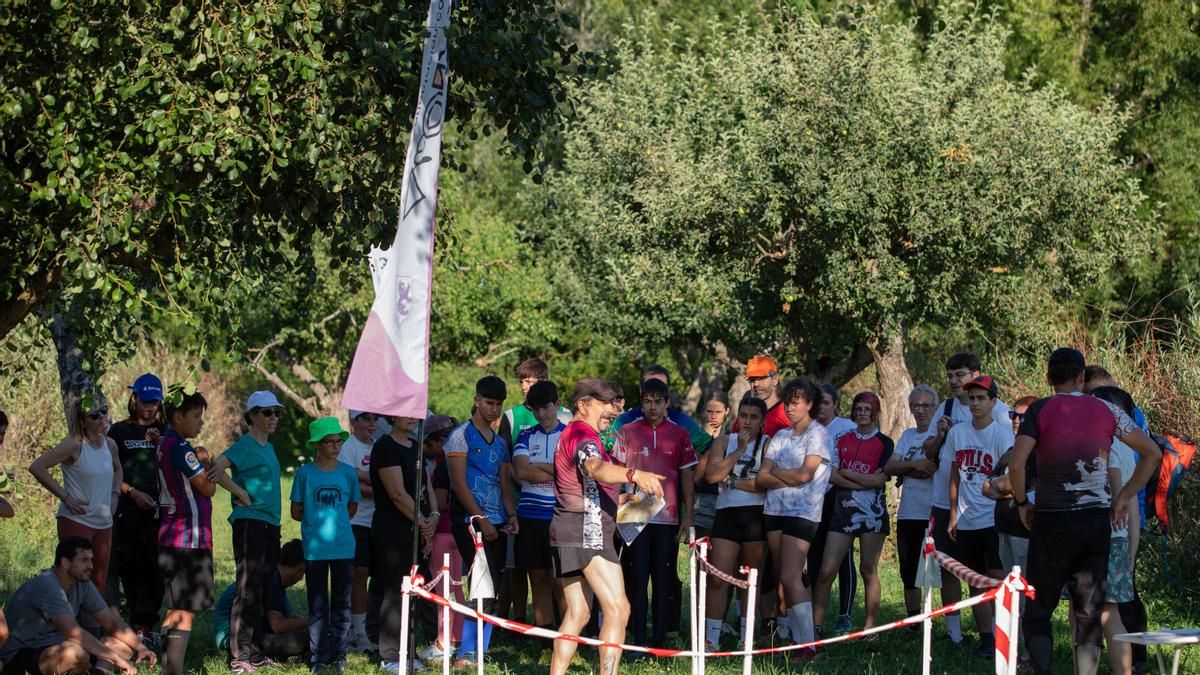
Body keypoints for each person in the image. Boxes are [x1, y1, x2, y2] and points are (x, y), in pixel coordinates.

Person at [1007, 348, 1162, 675]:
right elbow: (1151, 453)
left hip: (1051, 519)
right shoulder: (1107, 409)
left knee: (1038, 610)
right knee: (1089, 612)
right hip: (1095, 521)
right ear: (1081, 377)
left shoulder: (1039, 409)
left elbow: (1017, 464)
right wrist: (1124, 497)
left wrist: (1023, 504)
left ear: (1049, 378)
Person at [549, 378, 664, 675]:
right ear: (583, 405)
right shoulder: (582, 434)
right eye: (605, 403)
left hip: (568, 530)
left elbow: (587, 481)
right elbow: (594, 468)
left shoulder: (576, 433)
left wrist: (624, 497)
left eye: (615, 403)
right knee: (618, 609)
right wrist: (634, 473)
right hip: (586, 532)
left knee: (578, 612)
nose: (613, 410)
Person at [157, 390, 250, 675]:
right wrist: (206, 460)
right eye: (196, 416)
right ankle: (174, 670)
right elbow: (207, 487)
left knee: (176, 608)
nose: (201, 423)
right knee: (184, 609)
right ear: (177, 416)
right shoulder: (181, 448)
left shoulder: (162, 443)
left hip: (169, 536)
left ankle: (169, 667)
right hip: (188, 538)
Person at [611, 377, 698, 648]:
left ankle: (658, 642)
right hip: (635, 512)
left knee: (663, 578)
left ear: (667, 403)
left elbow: (687, 477)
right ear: (641, 402)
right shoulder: (627, 430)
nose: (652, 406)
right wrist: (616, 509)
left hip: (668, 515)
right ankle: (637, 641)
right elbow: (614, 473)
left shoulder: (679, 433)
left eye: (658, 401)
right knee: (636, 579)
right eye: (647, 401)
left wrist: (688, 515)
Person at [207, 391, 285, 673]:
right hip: (249, 522)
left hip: (270, 524)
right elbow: (216, 468)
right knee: (248, 587)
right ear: (252, 415)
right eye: (267, 412)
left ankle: (253, 652)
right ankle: (239, 656)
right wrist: (240, 492)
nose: (273, 417)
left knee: (263, 587)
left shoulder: (269, 447)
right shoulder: (245, 444)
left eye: (277, 412)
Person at [753, 377, 830, 661]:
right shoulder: (780, 436)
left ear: (809, 404)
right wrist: (789, 476)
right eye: (788, 402)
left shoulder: (818, 434)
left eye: (796, 402)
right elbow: (762, 477)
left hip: (803, 512)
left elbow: (805, 475)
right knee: (784, 578)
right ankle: (798, 641)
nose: (790, 407)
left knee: (791, 576)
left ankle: (809, 645)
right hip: (774, 511)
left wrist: (780, 475)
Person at [0, 537, 156, 675]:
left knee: (122, 647)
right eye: (84, 560)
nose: (91, 566)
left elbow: (112, 622)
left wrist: (141, 648)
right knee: (75, 654)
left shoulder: (82, 583)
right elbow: (73, 632)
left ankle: (98, 672)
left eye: (91, 560)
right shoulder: (47, 585)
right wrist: (115, 659)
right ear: (66, 562)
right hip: (24, 652)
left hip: (59, 645)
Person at [445, 376, 517, 667]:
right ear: (476, 400)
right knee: (479, 585)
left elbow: (504, 484)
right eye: (489, 402)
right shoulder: (459, 437)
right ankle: (465, 652)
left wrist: (511, 516)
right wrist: (482, 519)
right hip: (470, 521)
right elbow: (459, 485)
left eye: (498, 404)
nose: (494, 409)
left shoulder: (500, 443)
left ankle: (480, 649)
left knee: (493, 588)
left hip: (499, 521)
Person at [813, 392, 893, 638]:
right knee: (826, 571)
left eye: (867, 409)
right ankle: (814, 627)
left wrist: (851, 478)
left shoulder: (885, 442)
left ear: (875, 412)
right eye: (858, 408)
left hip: (873, 514)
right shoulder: (840, 438)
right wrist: (863, 482)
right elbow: (832, 474)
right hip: (842, 513)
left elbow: (880, 479)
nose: (862, 413)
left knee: (868, 568)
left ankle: (870, 627)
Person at [945, 376, 1012, 658]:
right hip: (967, 518)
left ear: (993, 402)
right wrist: (952, 514)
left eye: (981, 398)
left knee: (996, 581)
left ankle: (1004, 639)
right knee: (973, 581)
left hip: (993, 519)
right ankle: (986, 639)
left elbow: (1008, 480)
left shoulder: (1002, 434)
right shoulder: (958, 433)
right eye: (971, 398)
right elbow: (954, 475)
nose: (975, 403)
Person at [30, 391, 120, 592]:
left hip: (104, 523)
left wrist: (116, 494)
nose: (101, 418)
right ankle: (63, 621)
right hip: (77, 521)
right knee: (72, 582)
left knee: (98, 584)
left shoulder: (110, 444)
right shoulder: (74, 444)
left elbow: (118, 469)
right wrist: (66, 497)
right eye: (94, 415)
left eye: (103, 411)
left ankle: (91, 624)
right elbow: (37, 467)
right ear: (82, 421)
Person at [290, 417, 361, 672]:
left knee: (342, 603)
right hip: (315, 549)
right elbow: (295, 510)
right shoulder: (305, 474)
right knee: (317, 603)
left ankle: (339, 653)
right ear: (316, 445)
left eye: (338, 441)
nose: (335, 446)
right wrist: (314, 521)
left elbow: (352, 507)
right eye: (329, 442)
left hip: (344, 547)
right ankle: (319, 655)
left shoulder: (348, 473)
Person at [366, 414, 435, 672]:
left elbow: (425, 485)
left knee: (414, 591)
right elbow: (396, 494)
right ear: (392, 416)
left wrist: (431, 519)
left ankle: (409, 650)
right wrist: (422, 521)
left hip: (417, 527)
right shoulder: (384, 446)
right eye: (405, 413)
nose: (411, 418)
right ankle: (391, 655)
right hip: (392, 529)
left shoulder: (416, 446)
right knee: (395, 591)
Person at [702, 395, 770, 649]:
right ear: (737, 416)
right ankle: (712, 638)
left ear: (762, 420)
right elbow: (711, 475)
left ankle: (746, 637)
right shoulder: (724, 441)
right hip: (726, 514)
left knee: (751, 580)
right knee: (719, 578)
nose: (747, 422)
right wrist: (739, 450)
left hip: (755, 515)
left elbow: (764, 483)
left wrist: (730, 480)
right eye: (744, 416)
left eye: (753, 417)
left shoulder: (768, 444)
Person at [511, 381, 568, 663]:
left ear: (557, 405)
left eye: (546, 407)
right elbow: (521, 471)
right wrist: (555, 472)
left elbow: (571, 475)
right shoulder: (525, 436)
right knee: (539, 582)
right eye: (536, 410)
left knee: (562, 583)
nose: (542, 414)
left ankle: (567, 645)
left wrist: (544, 470)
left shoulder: (569, 436)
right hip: (530, 518)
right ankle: (546, 646)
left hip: (561, 518)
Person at [107, 373, 166, 640]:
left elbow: (178, 465)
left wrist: (160, 443)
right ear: (134, 399)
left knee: (156, 567)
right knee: (129, 564)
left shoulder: (165, 432)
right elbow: (108, 471)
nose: (150, 406)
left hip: (161, 509)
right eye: (145, 401)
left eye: (155, 402)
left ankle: (146, 625)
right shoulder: (119, 431)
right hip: (128, 508)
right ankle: (128, 620)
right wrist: (132, 493)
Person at [1089, 386, 1142, 675]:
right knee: (1110, 613)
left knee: (1091, 614)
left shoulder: (1107, 443)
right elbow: (1132, 508)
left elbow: (1124, 500)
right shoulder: (1128, 449)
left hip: (1098, 538)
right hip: (1117, 540)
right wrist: (1131, 554)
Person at [982, 395, 1037, 668]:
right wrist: (1005, 487)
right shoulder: (1010, 451)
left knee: (1023, 597)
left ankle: (1027, 655)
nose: (1016, 421)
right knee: (1009, 595)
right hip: (1002, 528)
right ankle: (1013, 652)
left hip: (1023, 534)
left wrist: (1002, 486)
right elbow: (988, 486)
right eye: (1013, 416)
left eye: (1023, 417)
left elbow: (1003, 485)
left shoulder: (1035, 452)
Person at [884, 384, 939, 618]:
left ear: (936, 408)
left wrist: (905, 469)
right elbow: (889, 466)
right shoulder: (907, 435)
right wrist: (914, 465)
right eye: (916, 405)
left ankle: (937, 619)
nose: (921, 410)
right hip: (908, 512)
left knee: (932, 570)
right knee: (908, 570)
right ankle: (914, 619)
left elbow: (931, 470)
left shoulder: (939, 437)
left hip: (932, 510)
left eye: (926, 405)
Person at [808, 383, 857, 634]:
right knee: (814, 556)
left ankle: (844, 614)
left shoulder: (847, 428)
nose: (821, 408)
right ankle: (815, 618)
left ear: (835, 404)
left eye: (826, 403)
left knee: (843, 558)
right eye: (817, 403)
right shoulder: (808, 428)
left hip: (840, 497)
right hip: (812, 498)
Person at [214, 540, 308, 662]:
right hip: (233, 640)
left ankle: (298, 656)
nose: (301, 579)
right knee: (310, 636)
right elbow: (278, 626)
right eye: (304, 574)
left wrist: (313, 622)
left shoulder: (275, 577)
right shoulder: (272, 579)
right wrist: (314, 622)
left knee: (312, 632)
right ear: (301, 568)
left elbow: (290, 616)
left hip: (248, 636)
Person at [419, 415, 463, 662]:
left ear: (440, 440)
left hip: (443, 531)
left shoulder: (443, 465)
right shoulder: (463, 459)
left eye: (429, 444)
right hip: (461, 531)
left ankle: (442, 644)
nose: (427, 449)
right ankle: (457, 641)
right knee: (457, 588)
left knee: (442, 592)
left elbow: (440, 502)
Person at [336, 410, 378, 653]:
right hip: (355, 520)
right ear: (354, 422)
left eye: (375, 419)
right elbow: (351, 484)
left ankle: (368, 626)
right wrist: (377, 483)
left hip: (378, 521)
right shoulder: (347, 448)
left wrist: (367, 479)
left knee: (376, 576)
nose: (372, 424)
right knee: (359, 573)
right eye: (366, 419)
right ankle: (357, 633)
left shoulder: (379, 447)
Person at [692, 391, 730, 540]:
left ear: (727, 411)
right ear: (703, 411)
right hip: (701, 496)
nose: (713, 416)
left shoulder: (731, 436)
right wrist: (707, 439)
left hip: (724, 496)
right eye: (709, 411)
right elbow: (693, 469)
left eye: (718, 412)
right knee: (702, 547)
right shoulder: (694, 436)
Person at [739, 356, 791, 436]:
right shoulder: (745, 414)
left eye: (761, 378)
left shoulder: (789, 414)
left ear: (775, 379)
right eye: (752, 380)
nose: (756, 384)